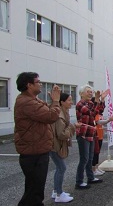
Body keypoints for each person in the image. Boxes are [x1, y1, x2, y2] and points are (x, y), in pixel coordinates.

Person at [14, 72, 61, 206]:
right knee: (35, 190)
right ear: (29, 85)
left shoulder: (32, 99)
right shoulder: (26, 102)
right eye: (38, 82)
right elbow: (50, 116)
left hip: (36, 150)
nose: (40, 84)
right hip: (33, 152)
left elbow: (47, 110)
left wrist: (53, 103)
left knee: (34, 189)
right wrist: (56, 101)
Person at [75, 86, 108, 189]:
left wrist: (101, 100)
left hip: (91, 133)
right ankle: (79, 181)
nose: (90, 94)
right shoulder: (80, 104)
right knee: (84, 158)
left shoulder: (90, 103)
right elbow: (92, 113)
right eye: (88, 92)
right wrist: (97, 101)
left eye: (91, 92)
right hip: (84, 134)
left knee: (90, 157)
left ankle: (90, 177)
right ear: (81, 93)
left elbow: (100, 110)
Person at [50, 93, 79, 203]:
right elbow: (61, 134)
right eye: (69, 100)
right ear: (62, 102)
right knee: (62, 168)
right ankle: (59, 194)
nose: (71, 102)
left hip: (56, 145)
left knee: (60, 168)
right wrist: (73, 127)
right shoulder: (60, 114)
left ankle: (56, 191)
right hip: (55, 145)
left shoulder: (63, 112)